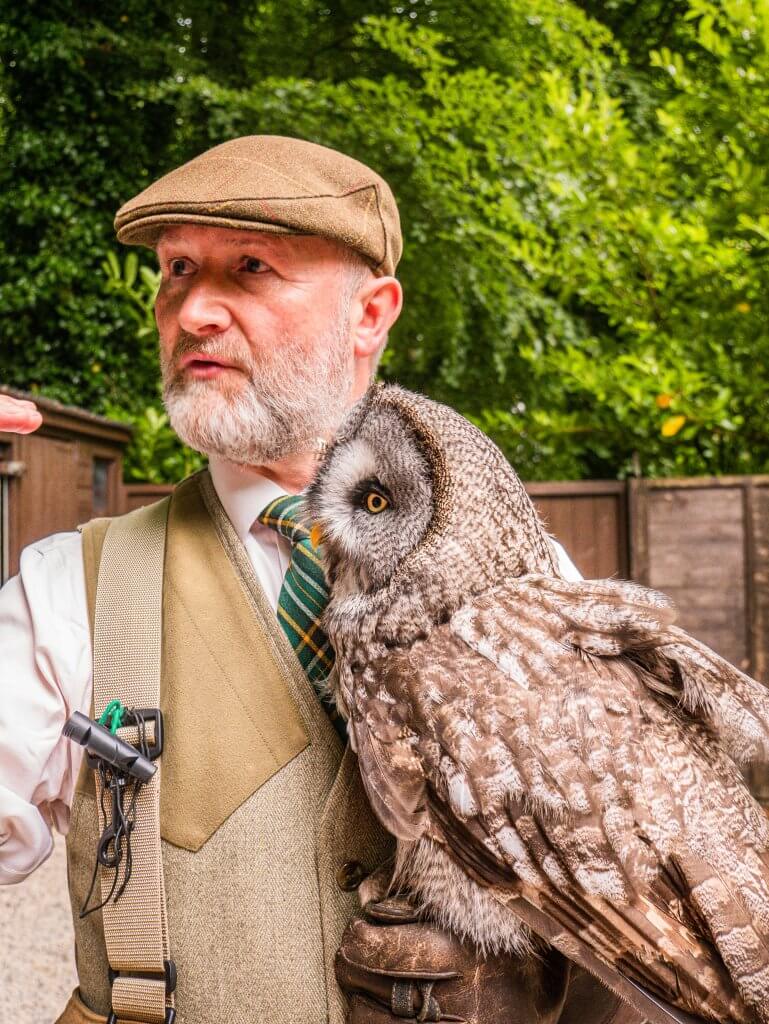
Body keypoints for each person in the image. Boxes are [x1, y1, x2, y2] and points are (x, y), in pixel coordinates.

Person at [0, 135, 634, 1024]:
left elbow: (634, 886)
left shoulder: (530, 584)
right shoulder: (70, 590)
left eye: (251, 268)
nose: (194, 311)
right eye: (177, 268)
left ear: (371, 313)